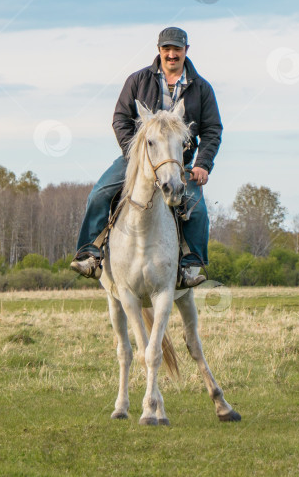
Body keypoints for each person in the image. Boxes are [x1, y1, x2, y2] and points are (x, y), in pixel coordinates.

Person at [70, 27, 222, 289]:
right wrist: (134, 152)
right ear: (159, 50)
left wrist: (202, 164)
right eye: (167, 49)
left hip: (179, 163)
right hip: (138, 159)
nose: (171, 54)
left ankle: (189, 266)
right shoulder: (138, 80)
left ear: (186, 50)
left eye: (177, 49)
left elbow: (212, 130)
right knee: (99, 194)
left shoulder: (201, 88)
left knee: (197, 211)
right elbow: (120, 118)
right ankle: (89, 254)